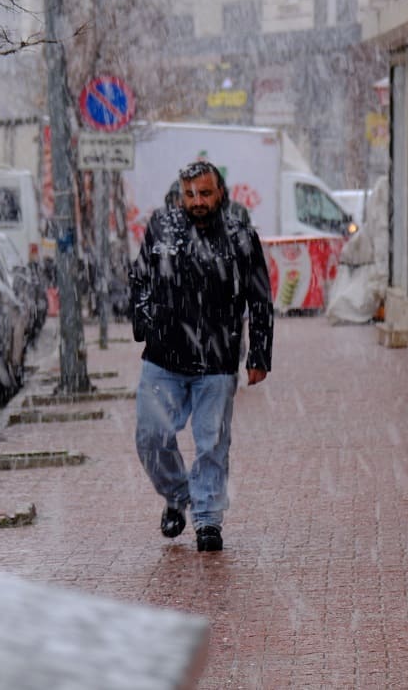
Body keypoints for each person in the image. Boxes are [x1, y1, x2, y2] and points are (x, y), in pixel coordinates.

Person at [129, 160, 274, 552]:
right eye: (190, 194)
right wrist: (144, 321)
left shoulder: (241, 234)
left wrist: (259, 352)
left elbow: (259, 297)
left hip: (217, 357)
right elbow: (139, 277)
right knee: (151, 437)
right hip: (163, 356)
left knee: (211, 443)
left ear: (220, 193)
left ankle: (208, 519)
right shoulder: (161, 226)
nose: (197, 202)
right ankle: (178, 496)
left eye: (205, 194)